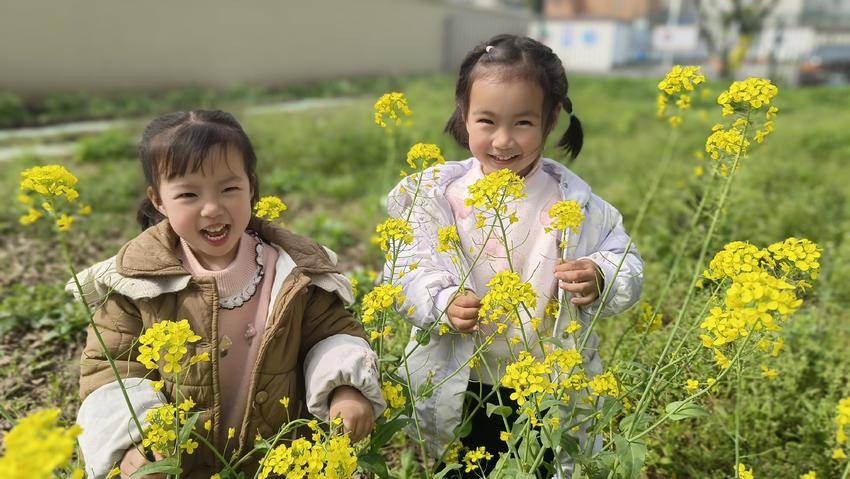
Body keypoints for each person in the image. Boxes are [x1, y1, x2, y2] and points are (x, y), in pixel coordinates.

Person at [70, 110, 385, 478]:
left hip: (279, 461)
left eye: (229, 189)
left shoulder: (293, 271)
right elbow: (111, 370)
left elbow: (331, 333)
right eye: (188, 194)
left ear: (251, 186)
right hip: (180, 465)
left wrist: (345, 388)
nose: (212, 208)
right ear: (158, 200)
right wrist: (134, 442)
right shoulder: (136, 283)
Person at [386, 34, 643, 477]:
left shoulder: (575, 204)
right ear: (464, 116)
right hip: (464, 380)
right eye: (487, 121)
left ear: (551, 119)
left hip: (547, 383)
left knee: (539, 466)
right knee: (465, 465)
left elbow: (627, 260)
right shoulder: (436, 198)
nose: (503, 141)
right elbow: (404, 270)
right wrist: (441, 301)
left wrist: (600, 274)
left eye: (522, 123)